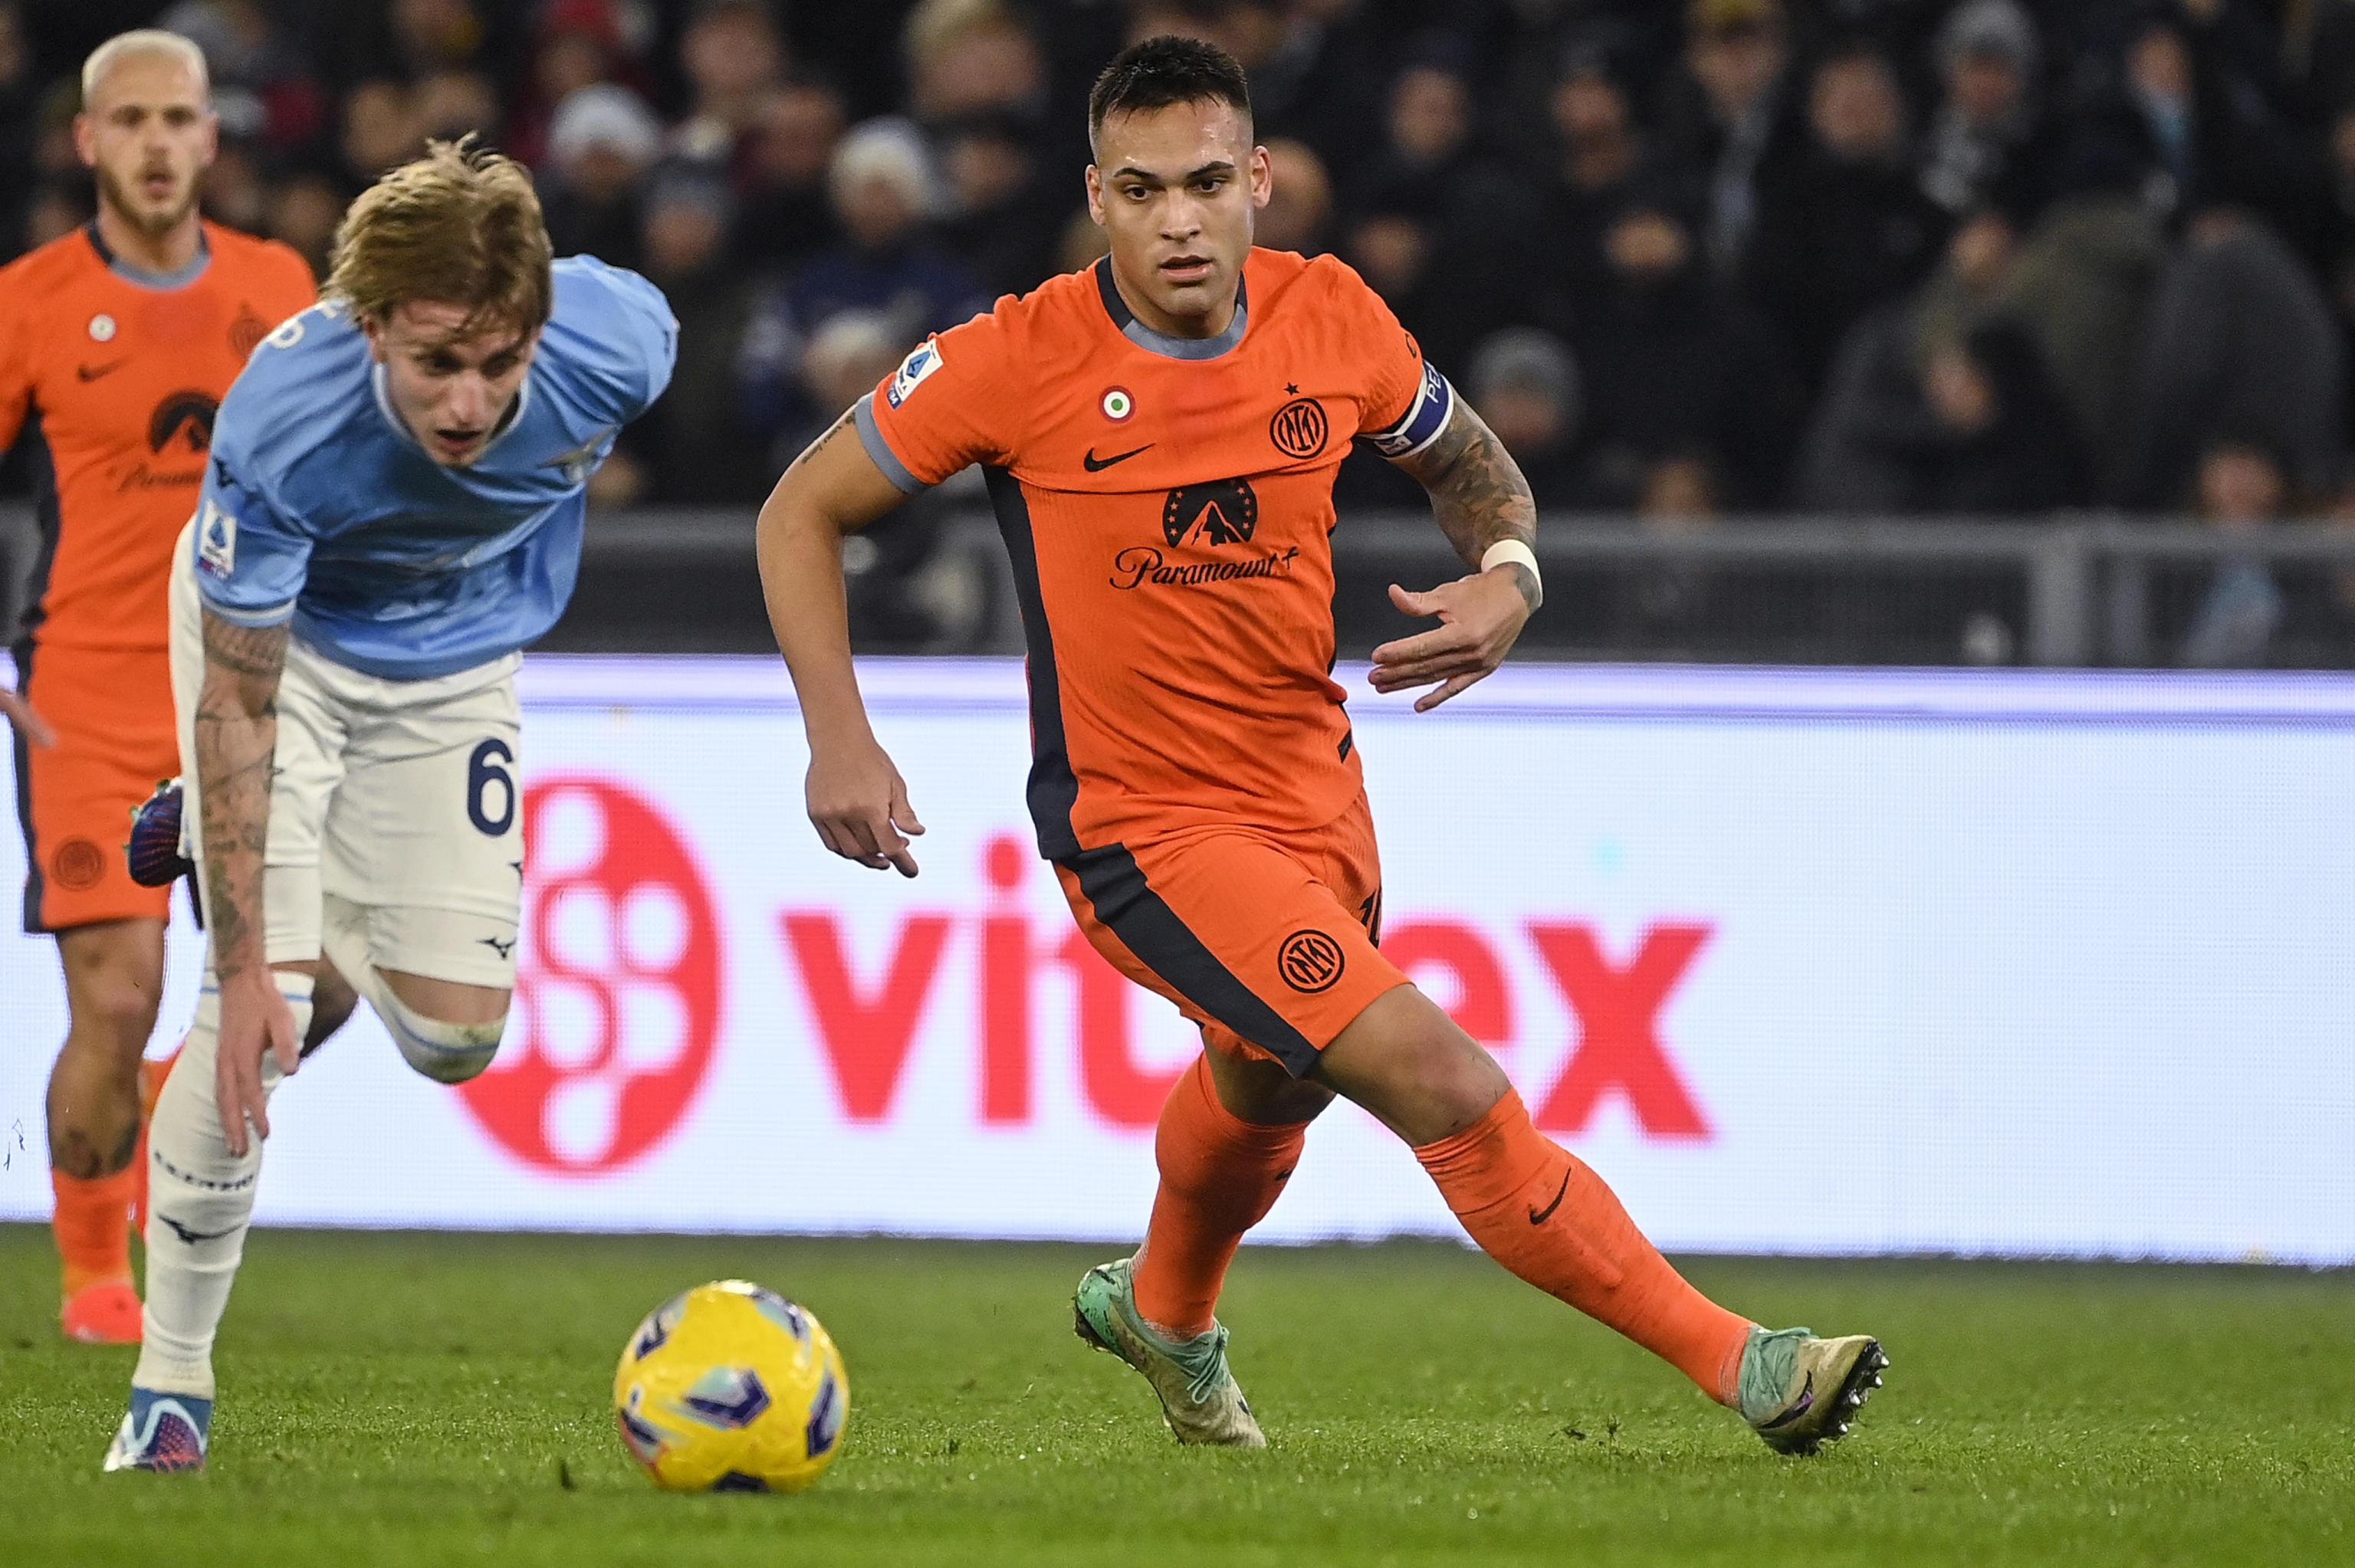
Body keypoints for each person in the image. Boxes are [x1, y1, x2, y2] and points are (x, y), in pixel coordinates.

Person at [755, 35, 1883, 1455]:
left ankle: (1163, 1311)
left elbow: (1476, 469)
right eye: (1147, 189)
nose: (1182, 219)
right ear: (1095, 197)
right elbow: (797, 508)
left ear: (1262, 183)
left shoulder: (1332, 317)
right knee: (1441, 1078)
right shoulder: (1014, 357)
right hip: (1142, 832)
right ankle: (1748, 1366)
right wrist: (837, 740)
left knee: (1266, 1078)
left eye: (1211, 182)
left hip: (1319, 802)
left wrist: (1512, 578)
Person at [103, 136, 676, 1473]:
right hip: (279, 666)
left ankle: (240, 851)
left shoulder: (619, 341)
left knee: (456, 1041)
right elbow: (240, 701)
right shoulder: (286, 419)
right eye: (435, 365)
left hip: (456, 667)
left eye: (499, 362)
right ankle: (169, 1390)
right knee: (254, 1005)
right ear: (370, 328)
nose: (471, 402)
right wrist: (246, 955)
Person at [0, 29, 324, 1348]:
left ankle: (151, 1127)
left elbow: (328, 476)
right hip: (85, 694)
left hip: (249, 693)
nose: (151, 142)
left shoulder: (278, 283)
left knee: (311, 989)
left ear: (209, 137)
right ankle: (94, 1271)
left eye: (174, 117)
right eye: (125, 118)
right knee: (122, 991)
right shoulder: (26, 300)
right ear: (86, 140)